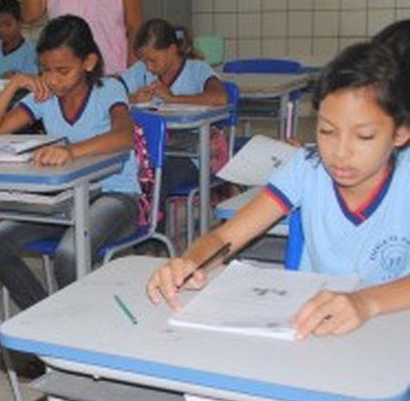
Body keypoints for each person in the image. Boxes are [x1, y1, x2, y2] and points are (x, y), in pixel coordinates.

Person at [147, 41, 410, 339]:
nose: (340, 152)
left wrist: (365, 303)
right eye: (326, 131)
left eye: (364, 136)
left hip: (393, 328)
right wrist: (190, 262)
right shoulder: (306, 168)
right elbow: (225, 237)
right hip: (313, 328)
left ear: (401, 132)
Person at [0, 14, 140, 310]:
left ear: (88, 63)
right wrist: (14, 85)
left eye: (62, 70)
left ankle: (78, 329)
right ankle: (44, 316)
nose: (52, 79)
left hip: (115, 195)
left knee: (70, 255)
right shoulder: (46, 96)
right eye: (45, 70)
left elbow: (124, 137)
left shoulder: (108, 90)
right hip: (63, 200)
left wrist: (72, 151)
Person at [121, 18, 228, 202]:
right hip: (152, 153)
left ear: (171, 49)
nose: (148, 66)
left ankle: (152, 226)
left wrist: (174, 99)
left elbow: (220, 98)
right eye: (144, 60)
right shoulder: (141, 71)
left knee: (154, 179)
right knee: (125, 174)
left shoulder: (197, 69)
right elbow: (109, 92)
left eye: (153, 60)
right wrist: (132, 99)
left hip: (194, 156)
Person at [0, 0, 38, 79]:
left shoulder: (31, 50)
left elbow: (34, 79)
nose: (2, 30)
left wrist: (16, 77)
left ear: (20, 23)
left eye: (8, 24)